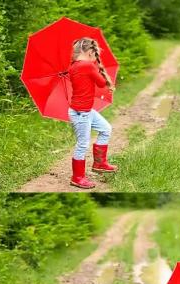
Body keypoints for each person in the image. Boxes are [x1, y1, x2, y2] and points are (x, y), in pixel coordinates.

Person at [67, 37, 117, 189]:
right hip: (81, 113)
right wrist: (100, 70)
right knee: (82, 144)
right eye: (95, 55)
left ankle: (99, 163)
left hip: (85, 111)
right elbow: (101, 83)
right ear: (89, 52)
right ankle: (77, 177)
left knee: (106, 129)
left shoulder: (73, 66)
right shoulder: (87, 66)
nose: (96, 59)